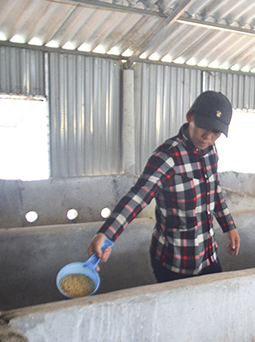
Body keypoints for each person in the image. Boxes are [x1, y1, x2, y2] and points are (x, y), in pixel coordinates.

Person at [88, 90, 241, 283]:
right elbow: (137, 198)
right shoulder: (167, 157)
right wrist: (106, 233)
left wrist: (229, 227)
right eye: (204, 126)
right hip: (174, 262)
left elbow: (214, 191)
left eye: (216, 132)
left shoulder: (211, 152)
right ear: (189, 116)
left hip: (208, 255)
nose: (208, 137)